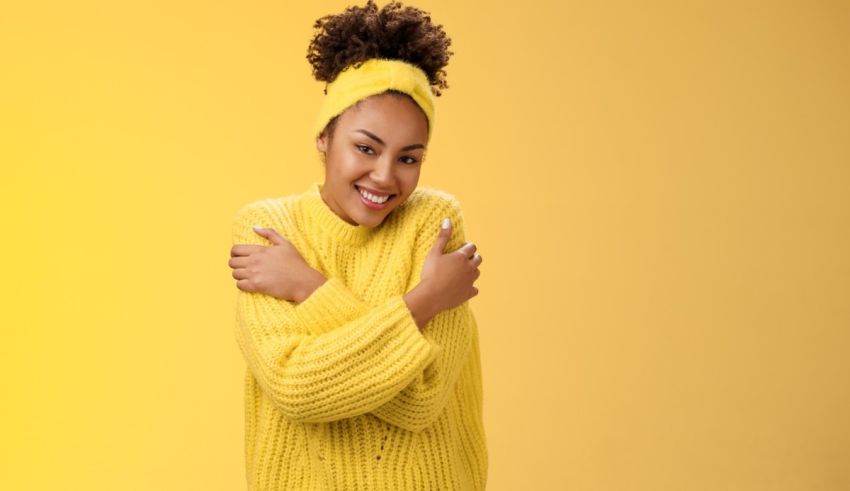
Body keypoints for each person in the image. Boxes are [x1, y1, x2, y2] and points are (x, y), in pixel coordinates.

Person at [227, 1, 487, 489]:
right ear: (325, 137)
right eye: (366, 148)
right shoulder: (266, 228)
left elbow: (419, 400)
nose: (385, 177)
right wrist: (426, 299)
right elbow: (297, 387)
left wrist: (307, 286)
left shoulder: (436, 222)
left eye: (409, 158)